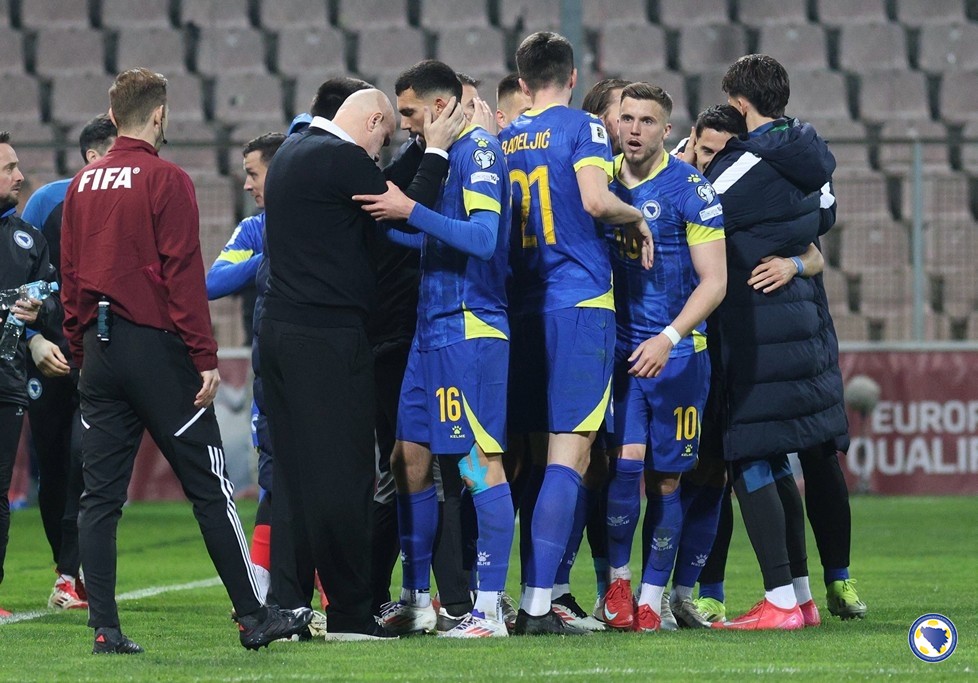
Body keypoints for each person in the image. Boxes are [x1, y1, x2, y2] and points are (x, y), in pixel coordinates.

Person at [60, 68, 312, 653]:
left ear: (113, 114)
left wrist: (79, 351)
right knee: (209, 486)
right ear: (159, 114)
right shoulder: (167, 179)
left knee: (100, 498)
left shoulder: (81, 185)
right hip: (155, 351)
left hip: (98, 351)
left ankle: (105, 629)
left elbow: (70, 276)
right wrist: (204, 354)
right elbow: (180, 274)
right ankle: (253, 617)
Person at [259, 87, 463, 640]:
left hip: (280, 332)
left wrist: (418, 151)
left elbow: (382, 189)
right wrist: (436, 150)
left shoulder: (294, 152)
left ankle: (288, 605)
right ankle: (350, 613)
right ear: (372, 121)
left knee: (294, 479)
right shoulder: (341, 157)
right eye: (385, 137)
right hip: (326, 337)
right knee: (345, 477)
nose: (381, 151)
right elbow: (403, 212)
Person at [681, 105, 866, 624]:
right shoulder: (776, 177)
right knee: (734, 463)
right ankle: (770, 593)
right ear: (691, 143)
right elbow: (813, 244)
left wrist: (797, 262)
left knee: (761, 456)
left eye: (721, 153)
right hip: (739, 342)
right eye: (705, 151)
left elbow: (813, 250)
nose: (712, 162)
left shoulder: (747, 185)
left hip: (754, 342)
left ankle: (797, 592)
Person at [497, 31, 652, 635]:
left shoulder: (504, 139)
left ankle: (523, 597)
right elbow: (593, 200)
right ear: (572, 76)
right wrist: (634, 215)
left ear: (522, 80)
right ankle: (540, 606)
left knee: (534, 456)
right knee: (573, 452)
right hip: (580, 303)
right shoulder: (583, 127)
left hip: (522, 308)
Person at [356, 60, 513, 639]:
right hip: (430, 332)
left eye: (411, 113)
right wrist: (385, 218)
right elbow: (413, 230)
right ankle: (418, 599)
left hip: (470, 327)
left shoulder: (480, 153)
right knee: (408, 461)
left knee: (477, 465)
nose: (405, 124)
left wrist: (410, 211)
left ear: (441, 106)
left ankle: (488, 609)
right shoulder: (441, 157)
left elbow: (484, 238)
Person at [599, 83, 727, 633]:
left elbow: (715, 281)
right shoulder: (597, 180)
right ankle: (619, 584)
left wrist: (669, 338)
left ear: (668, 130)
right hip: (621, 352)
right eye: (627, 118)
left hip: (678, 356)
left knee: (667, 481)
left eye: (647, 121)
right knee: (624, 467)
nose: (634, 130)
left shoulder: (690, 190)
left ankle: (652, 598)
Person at [19, 114, 116, 612]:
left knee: (86, 459)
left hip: (97, 356)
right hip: (47, 357)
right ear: (93, 157)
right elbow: (22, 282)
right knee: (54, 466)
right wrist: (33, 339)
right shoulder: (46, 202)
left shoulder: (129, 199)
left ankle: (72, 572)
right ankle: (67, 571)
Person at [205, 131, 285, 606]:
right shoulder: (256, 229)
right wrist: (272, 256)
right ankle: (263, 588)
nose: (247, 185)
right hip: (271, 375)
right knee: (273, 479)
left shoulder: (325, 220)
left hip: (325, 371)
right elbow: (212, 282)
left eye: (253, 174)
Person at [0, 131, 62, 619]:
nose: (20, 176)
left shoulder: (29, 241)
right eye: (8, 169)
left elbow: (54, 305)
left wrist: (39, 328)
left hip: (6, 386)